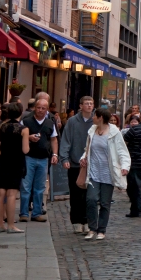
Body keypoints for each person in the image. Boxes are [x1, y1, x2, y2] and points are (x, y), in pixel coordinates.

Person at [78, 108, 130, 240]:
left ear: (100, 117)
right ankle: (92, 228)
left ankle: (101, 230)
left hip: (108, 173)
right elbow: (88, 149)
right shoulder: (92, 131)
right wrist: (83, 158)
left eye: (94, 116)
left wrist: (125, 167)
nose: (92, 118)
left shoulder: (114, 133)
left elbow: (122, 151)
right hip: (93, 172)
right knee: (91, 199)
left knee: (105, 203)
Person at [59, 96, 94, 234]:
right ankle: (76, 220)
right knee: (75, 194)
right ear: (81, 106)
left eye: (91, 103)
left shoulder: (96, 121)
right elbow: (66, 140)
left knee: (89, 194)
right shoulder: (72, 122)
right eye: (86, 103)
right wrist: (64, 158)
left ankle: (87, 220)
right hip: (75, 163)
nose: (89, 106)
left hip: (91, 164)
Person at [20, 97, 58, 223]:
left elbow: (53, 140)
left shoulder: (49, 123)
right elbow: (18, 137)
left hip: (43, 159)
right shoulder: (25, 122)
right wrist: (29, 137)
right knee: (26, 186)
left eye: (43, 108)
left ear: (47, 110)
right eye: (38, 107)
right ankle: (24, 213)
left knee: (40, 187)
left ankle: (37, 212)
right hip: (28, 157)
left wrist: (55, 154)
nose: (40, 110)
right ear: (34, 108)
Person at [0, 103, 26, 233]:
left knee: (0, 193)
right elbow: (25, 149)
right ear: (20, 113)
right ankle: (11, 225)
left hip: (3, 162)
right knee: (12, 194)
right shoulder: (23, 129)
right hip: (16, 163)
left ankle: (0, 224)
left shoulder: (2, 127)